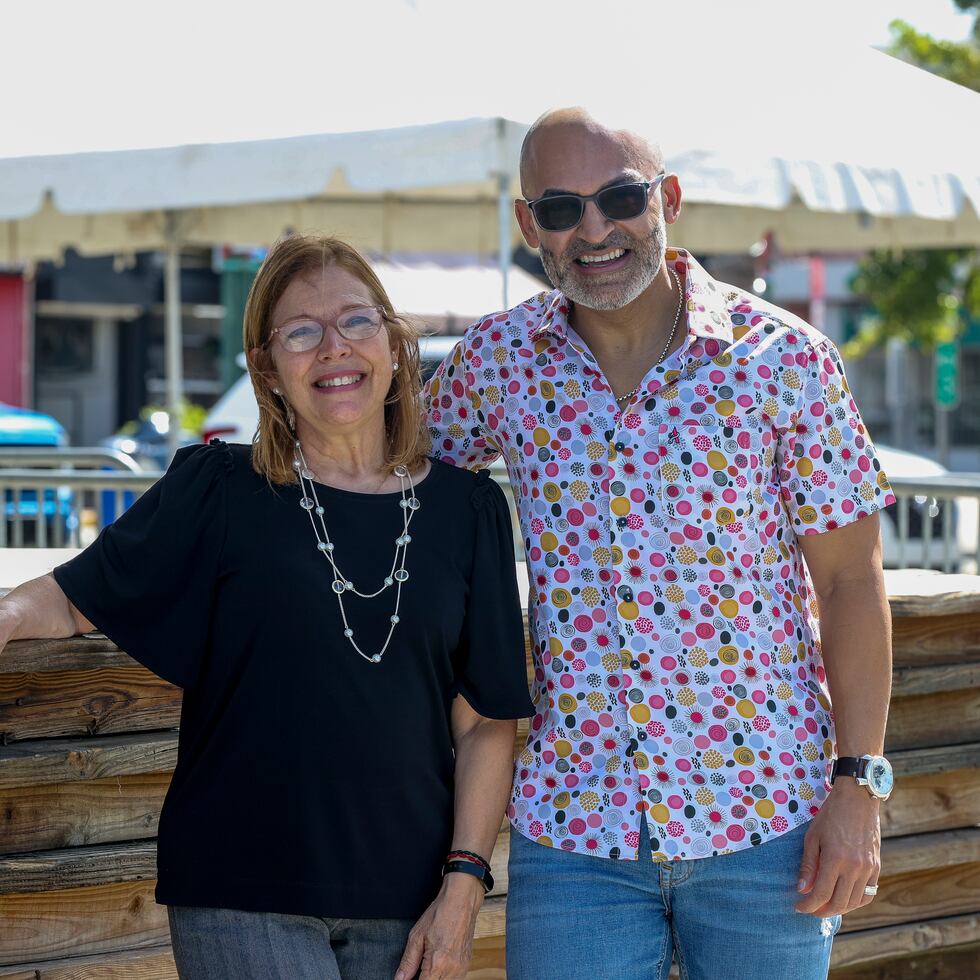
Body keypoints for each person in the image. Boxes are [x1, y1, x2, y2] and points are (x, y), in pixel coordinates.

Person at [426, 108, 895, 980]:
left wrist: (858, 785)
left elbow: (852, 584)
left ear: (668, 199)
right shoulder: (496, 363)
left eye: (620, 198)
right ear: (530, 226)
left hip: (768, 821)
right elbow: (380, 476)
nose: (594, 230)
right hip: (573, 833)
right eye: (560, 209)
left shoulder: (786, 360)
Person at [0, 234, 534, 980]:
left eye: (356, 321)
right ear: (268, 369)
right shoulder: (218, 488)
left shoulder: (468, 509)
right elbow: (67, 594)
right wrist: (8, 618)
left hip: (410, 900)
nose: (334, 349)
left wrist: (464, 884)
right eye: (301, 332)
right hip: (241, 893)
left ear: (392, 342)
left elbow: (484, 723)